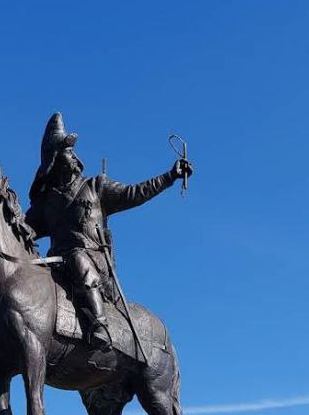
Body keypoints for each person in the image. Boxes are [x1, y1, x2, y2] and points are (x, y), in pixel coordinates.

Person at [25, 113, 191, 351]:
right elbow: (22, 229)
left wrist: (170, 176)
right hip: (58, 264)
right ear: (55, 159)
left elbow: (134, 193)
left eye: (72, 151)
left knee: (78, 259)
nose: (74, 155)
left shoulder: (95, 186)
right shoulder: (47, 203)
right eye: (67, 151)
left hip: (93, 261)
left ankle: (99, 325)